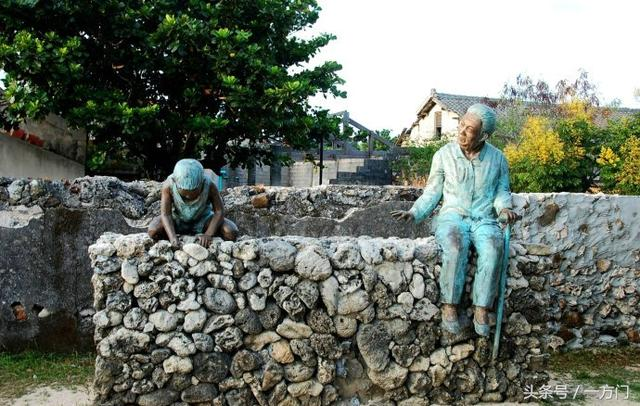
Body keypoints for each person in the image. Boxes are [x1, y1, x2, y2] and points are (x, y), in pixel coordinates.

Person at [391, 104, 517, 337]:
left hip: (484, 219)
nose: (461, 132)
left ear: (484, 135)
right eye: (461, 125)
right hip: (452, 217)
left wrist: (505, 209)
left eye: (469, 130)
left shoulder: (498, 159)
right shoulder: (443, 155)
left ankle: (482, 308)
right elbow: (432, 191)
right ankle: (449, 306)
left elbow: (502, 191)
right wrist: (415, 212)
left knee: (492, 248)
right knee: (455, 246)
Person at [148, 158, 238, 247]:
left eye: (194, 192)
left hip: (203, 219)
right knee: (153, 231)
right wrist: (172, 237)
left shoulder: (210, 185)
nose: (189, 197)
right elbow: (166, 214)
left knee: (231, 231)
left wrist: (208, 234)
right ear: (175, 182)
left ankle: (212, 237)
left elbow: (219, 211)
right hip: (178, 220)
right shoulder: (168, 186)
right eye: (185, 195)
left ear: (202, 182)